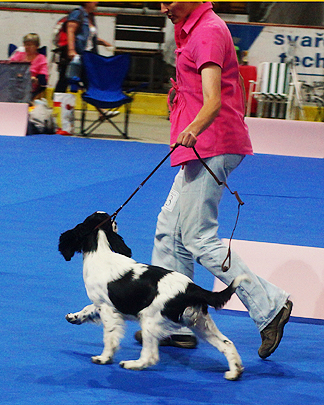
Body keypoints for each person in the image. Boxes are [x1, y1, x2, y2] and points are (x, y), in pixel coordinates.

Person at [136, 2, 292, 359]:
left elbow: (213, 100)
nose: (163, 8)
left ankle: (271, 307)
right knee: (169, 230)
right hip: (202, 146)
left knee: (198, 238)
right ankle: (175, 321)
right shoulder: (194, 27)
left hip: (211, 146)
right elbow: (224, 84)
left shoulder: (206, 32)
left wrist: (192, 126)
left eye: (168, 2)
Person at [54, 1, 114, 93]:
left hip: (86, 55)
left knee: (87, 80)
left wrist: (104, 43)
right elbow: (71, 31)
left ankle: (98, 104)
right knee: (65, 80)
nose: (97, 2)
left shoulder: (90, 16)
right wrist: (71, 50)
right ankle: (56, 103)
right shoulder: (77, 13)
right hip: (75, 55)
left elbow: (88, 37)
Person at [10, 33, 48, 101]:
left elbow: (43, 79)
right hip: (15, 86)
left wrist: (34, 80)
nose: (27, 47)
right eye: (26, 45)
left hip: (31, 88)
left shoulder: (41, 58)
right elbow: (10, 69)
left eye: (30, 45)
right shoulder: (18, 55)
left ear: (37, 46)